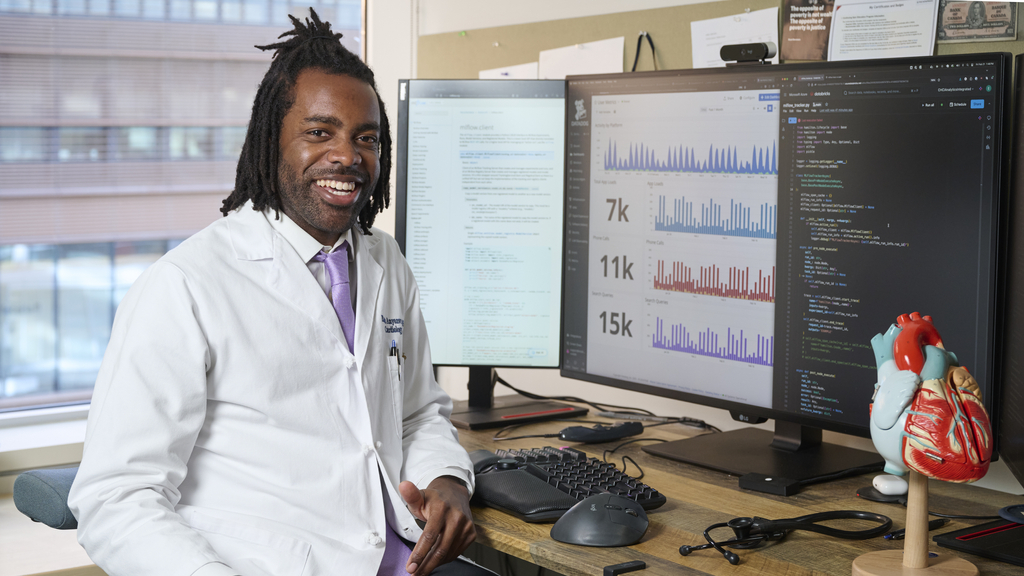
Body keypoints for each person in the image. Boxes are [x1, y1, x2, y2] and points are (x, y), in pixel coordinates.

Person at [68, 10, 489, 576]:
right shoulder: (185, 286)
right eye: (319, 132)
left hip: (400, 557)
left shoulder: (386, 262)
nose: (346, 156)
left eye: (366, 138)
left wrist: (447, 478)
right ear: (272, 143)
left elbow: (417, 412)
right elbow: (115, 496)